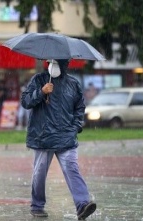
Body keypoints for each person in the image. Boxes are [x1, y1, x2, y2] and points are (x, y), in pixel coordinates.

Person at [21, 59, 96, 220]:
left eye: (57, 62)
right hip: (43, 136)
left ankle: (82, 204)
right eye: (50, 62)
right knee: (39, 173)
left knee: (72, 168)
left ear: (64, 64)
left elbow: (79, 107)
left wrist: (75, 126)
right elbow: (25, 102)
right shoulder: (38, 80)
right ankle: (37, 205)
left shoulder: (73, 84)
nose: (53, 66)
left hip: (66, 136)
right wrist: (41, 92)